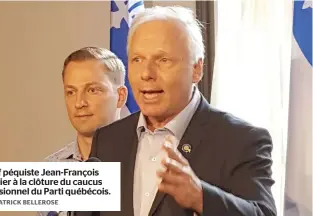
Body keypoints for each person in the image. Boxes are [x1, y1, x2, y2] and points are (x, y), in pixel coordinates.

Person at [73, 5, 278, 216]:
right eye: (137, 60)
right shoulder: (108, 140)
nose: (146, 73)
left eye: (163, 60)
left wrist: (200, 197)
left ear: (197, 69)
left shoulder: (240, 140)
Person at [38, 46, 128, 216]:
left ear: (121, 96)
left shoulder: (144, 162)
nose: (79, 103)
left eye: (92, 90)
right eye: (71, 92)